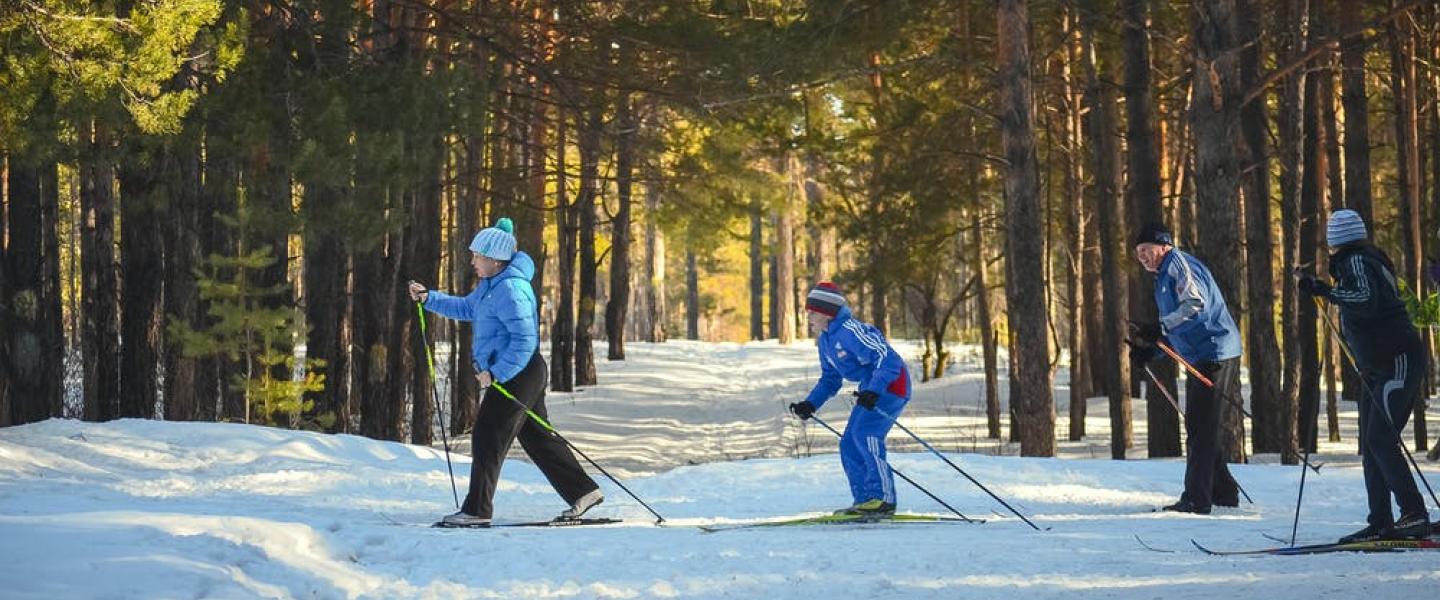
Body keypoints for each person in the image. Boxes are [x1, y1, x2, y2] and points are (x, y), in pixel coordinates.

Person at [407, 217, 602, 527]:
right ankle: (584, 492)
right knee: (537, 437)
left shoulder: (511, 289)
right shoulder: (490, 286)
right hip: (520, 371)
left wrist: (496, 373)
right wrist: (430, 298)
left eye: (477, 256)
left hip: (518, 372)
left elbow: (525, 340)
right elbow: (466, 309)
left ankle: (476, 510)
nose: (472, 261)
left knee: (487, 435)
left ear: (495, 260)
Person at [1299, 209, 1431, 542]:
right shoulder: (1359, 260)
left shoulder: (1356, 260)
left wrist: (1324, 290)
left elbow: (1366, 299)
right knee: (1372, 445)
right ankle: (1381, 520)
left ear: (1336, 240)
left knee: (1380, 440)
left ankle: (1413, 514)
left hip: (1397, 361)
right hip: (1378, 367)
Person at [1129, 224, 1242, 515]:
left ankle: (1196, 498)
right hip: (1199, 354)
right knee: (1198, 425)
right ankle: (1223, 492)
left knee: (1200, 427)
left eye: (1146, 250)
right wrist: (1151, 351)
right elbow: (1177, 327)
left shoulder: (1177, 264)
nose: (1142, 257)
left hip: (1214, 351)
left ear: (1163, 245)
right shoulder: (1162, 276)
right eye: (1138, 253)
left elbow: (1195, 305)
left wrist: (1159, 327)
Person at [788, 282, 911, 516]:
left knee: (865, 434)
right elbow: (830, 379)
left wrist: (874, 390)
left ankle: (882, 498)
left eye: (812, 312)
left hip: (892, 385)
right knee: (848, 442)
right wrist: (810, 403)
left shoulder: (850, 331)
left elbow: (888, 358)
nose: (809, 318)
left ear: (826, 312)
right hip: (871, 388)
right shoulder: (825, 341)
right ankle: (865, 500)